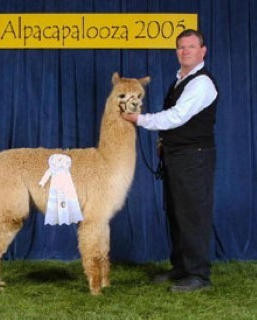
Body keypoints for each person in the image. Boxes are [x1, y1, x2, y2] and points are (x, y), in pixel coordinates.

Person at [122, 29, 218, 292]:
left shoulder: (201, 83)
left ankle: (198, 276)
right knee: (177, 213)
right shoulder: (180, 79)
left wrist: (138, 119)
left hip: (193, 158)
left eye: (190, 46)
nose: (185, 51)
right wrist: (164, 143)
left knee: (192, 215)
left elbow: (176, 117)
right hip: (178, 156)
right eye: (181, 47)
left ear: (203, 50)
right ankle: (181, 268)